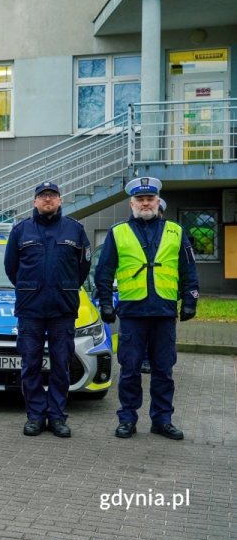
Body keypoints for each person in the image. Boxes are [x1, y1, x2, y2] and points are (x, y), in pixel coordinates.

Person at [95, 177, 199, 441]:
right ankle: (127, 419)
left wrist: (190, 300)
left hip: (164, 312)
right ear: (132, 203)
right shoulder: (118, 232)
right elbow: (104, 271)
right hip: (132, 313)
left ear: (157, 201)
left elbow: (188, 269)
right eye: (140, 199)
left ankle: (162, 420)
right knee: (129, 370)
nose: (145, 203)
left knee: (164, 370)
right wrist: (106, 302)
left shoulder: (176, 231)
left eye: (149, 199)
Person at [4, 182, 91, 438]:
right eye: (42, 197)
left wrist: (65, 287)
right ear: (34, 202)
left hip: (62, 310)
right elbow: (12, 268)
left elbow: (83, 267)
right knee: (30, 364)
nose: (47, 200)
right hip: (30, 310)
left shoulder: (75, 229)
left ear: (60, 200)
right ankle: (35, 415)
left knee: (61, 365)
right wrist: (29, 288)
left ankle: (57, 417)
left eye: (52, 196)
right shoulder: (21, 230)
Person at [141, 197, 167, 375]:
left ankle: (156, 361)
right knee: (140, 336)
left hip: (163, 300)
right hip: (137, 298)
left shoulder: (172, 234)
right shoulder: (127, 232)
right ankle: (144, 360)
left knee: (161, 341)